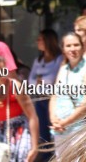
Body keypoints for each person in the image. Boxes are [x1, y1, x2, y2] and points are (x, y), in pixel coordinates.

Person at [0, 55, 39, 162]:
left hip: (19, 132)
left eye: (3, 69)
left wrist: (34, 146)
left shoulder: (15, 86)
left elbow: (32, 116)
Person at [49, 32, 86, 155]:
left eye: (76, 45)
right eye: (68, 46)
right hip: (60, 129)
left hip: (79, 129)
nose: (72, 49)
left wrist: (67, 121)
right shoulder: (63, 69)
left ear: (82, 47)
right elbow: (55, 96)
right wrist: (54, 119)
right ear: (63, 49)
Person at [27, 29, 62, 160]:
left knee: (55, 134)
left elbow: (54, 79)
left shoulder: (59, 59)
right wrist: (41, 81)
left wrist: (41, 81)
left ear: (48, 40)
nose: (37, 41)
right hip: (40, 100)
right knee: (43, 136)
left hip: (53, 100)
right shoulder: (39, 59)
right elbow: (30, 81)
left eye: (40, 39)